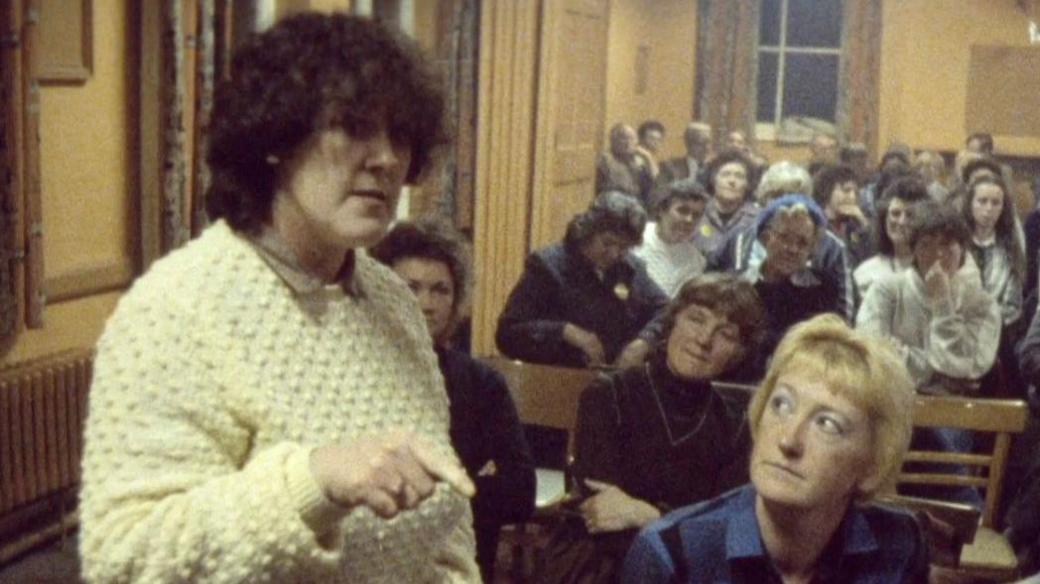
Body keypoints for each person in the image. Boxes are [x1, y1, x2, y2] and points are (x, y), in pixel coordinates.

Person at [79, 14, 481, 583]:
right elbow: (125, 559)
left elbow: (446, 524)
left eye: (400, 135)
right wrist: (313, 482)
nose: (386, 159)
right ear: (276, 140)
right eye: (355, 126)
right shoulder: (175, 309)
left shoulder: (391, 299)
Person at [623, 314, 927, 583]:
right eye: (782, 404)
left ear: (872, 464)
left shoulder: (901, 542)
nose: (788, 440)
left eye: (827, 424)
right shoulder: (671, 554)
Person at [535, 274, 767, 583]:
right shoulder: (608, 394)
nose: (704, 340)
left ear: (739, 352)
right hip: (600, 563)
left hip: (688, 572)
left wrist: (645, 515)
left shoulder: (738, 425)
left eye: (725, 334)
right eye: (696, 320)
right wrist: (682, 524)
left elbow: (722, 532)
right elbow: (602, 514)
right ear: (672, 323)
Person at [371, 219, 536, 582]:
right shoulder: (353, 373)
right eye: (410, 287)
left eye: (440, 290)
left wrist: (431, 497)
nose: (425, 304)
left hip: (457, 563)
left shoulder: (482, 384)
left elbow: (521, 490)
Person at [496, 191, 669, 369]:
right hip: (558, 379)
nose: (614, 254)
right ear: (588, 232)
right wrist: (565, 331)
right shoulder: (547, 266)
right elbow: (507, 334)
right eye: (607, 243)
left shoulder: (629, 268)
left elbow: (667, 309)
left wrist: (643, 342)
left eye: (624, 247)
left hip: (614, 381)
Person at [857, 200, 1001, 397]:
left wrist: (943, 303)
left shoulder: (982, 304)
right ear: (914, 251)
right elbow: (872, 353)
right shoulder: (885, 290)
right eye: (926, 245)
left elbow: (968, 366)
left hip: (957, 412)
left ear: (962, 250)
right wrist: (939, 374)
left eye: (947, 244)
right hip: (893, 400)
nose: (938, 254)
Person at [710, 161, 855, 322]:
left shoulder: (831, 246)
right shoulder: (739, 237)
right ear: (764, 199)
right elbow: (712, 288)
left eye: (795, 195)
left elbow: (843, 315)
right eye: (777, 196)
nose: (787, 203)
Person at [852, 176, 930, 302]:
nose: (902, 221)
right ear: (884, 219)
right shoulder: (865, 272)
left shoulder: (933, 268)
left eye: (910, 215)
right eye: (895, 213)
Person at [633, 178, 709, 298]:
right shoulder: (634, 240)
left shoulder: (696, 260)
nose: (689, 220)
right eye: (682, 211)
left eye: (696, 215)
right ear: (661, 210)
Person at [694, 150, 759, 259]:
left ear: (747, 184)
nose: (732, 181)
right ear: (713, 179)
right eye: (725, 175)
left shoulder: (758, 219)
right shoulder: (696, 213)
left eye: (739, 176)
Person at [812, 163, 871, 266]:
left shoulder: (856, 224)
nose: (852, 197)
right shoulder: (815, 224)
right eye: (846, 191)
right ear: (827, 191)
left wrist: (863, 222)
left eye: (855, 193)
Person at [596, 123, 656, 207]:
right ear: (613, 140)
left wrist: (648, 158)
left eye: (632, 138)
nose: (628, 143)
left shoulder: (639, 160)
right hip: (614, 206)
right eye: (623, 138)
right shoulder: (606, 159)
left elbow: (656, 182)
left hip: (637, 206)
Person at [657, 122, 713, 187]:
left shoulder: (716, 167)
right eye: (701, 143)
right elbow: (659, 192)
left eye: (709, 142)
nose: (707, 148)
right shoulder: (670, 167)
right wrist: (678, 186)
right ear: (688, 143)